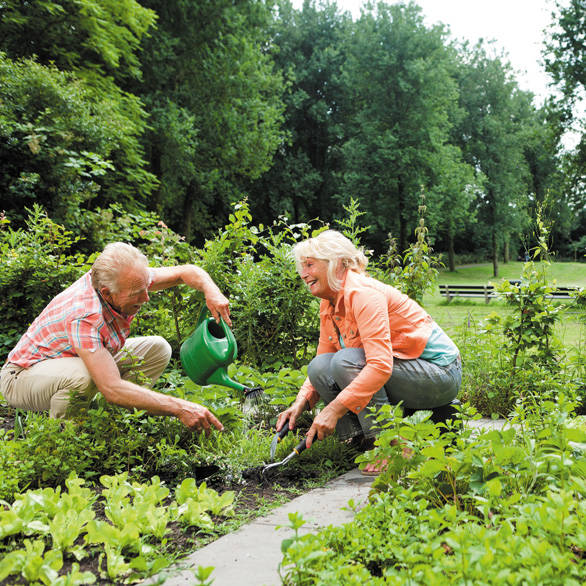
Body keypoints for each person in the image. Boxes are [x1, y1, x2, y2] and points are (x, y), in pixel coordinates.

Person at [276, 230, 461, 474]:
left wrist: (333, 409)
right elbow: (322, 359)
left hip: (440, 373)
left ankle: (390, 445)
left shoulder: (363, 294)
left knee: (346, 362)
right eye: (302, 266)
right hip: (406, 371)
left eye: (310, 265)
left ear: (336, 263)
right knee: (320, 366)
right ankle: (361, 440)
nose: (304, 273)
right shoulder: (328, 303)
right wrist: (300, 402)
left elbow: (380, 366)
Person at [0, 242, 230, 434]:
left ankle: (114, 426)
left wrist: (212, 291)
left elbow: (185, 272)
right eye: (137, 294)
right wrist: (179, 407)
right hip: (22, 377)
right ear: (107, 292)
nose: (146, 297)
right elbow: (110, 387)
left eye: (145, 287)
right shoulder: (84, 314)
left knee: (158, 348)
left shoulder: (129, 279)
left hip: (74, 359)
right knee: (83, 377)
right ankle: (65, 438)